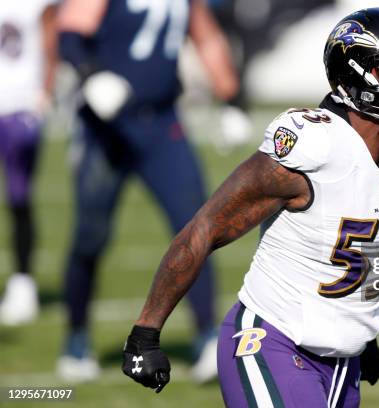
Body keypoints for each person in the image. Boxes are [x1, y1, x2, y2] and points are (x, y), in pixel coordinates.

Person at [122, 7, 379, 407]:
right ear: (355, 76)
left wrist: (362, 331)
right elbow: (206, 227)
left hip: (344, 363)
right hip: (272, 342)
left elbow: (365, 245)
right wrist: (146, 333)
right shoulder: (315, 144)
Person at [55, 0, 240, 382]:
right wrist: (90, 75)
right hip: (105, 128)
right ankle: (76, 339)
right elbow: (70, 30)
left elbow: (205, 37)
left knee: (199, 227)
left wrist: (232, 98)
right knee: (90, 237)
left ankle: (206, 337)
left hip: (161, 123)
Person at [0, 0, 58, 326]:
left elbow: (51, 43)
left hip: (20, 106)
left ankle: (23, 283)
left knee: (19, 198)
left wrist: (45, 93)